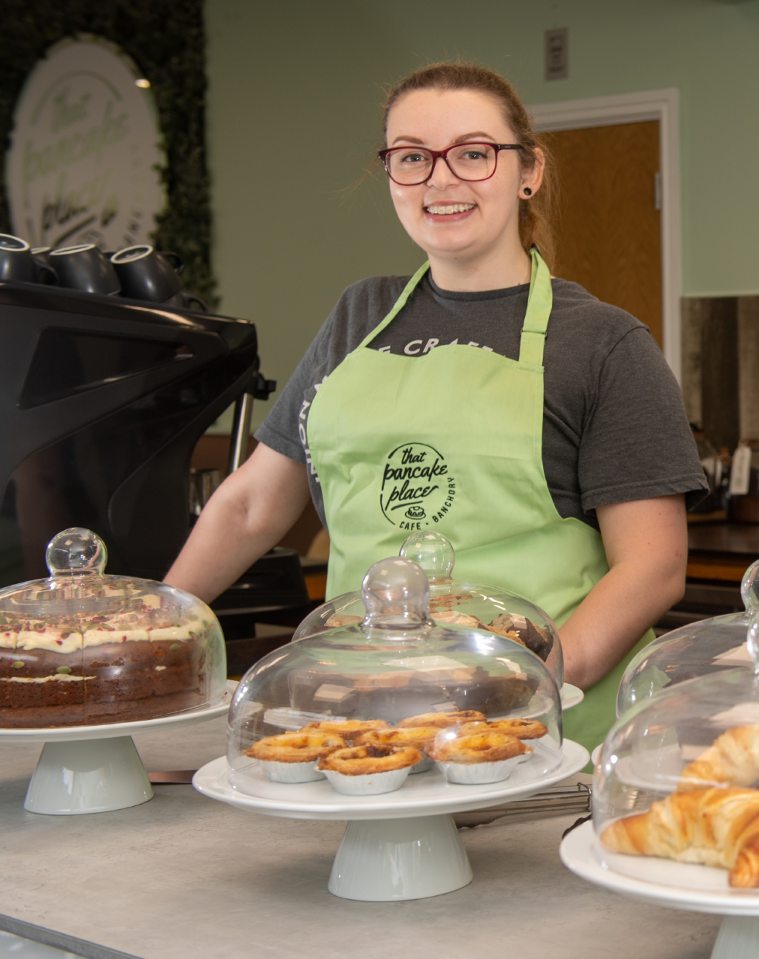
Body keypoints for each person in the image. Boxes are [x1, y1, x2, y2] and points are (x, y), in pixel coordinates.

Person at [167, 62, 705, 749]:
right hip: (366, 726)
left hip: (545, 741)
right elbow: (251, 505)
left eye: (474, 154)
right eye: (413, 157)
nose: (441, 180)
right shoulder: (358, 316)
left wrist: (520, 695)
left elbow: (652, 568)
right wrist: (164, 628)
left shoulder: (602, 343)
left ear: (529, 171)